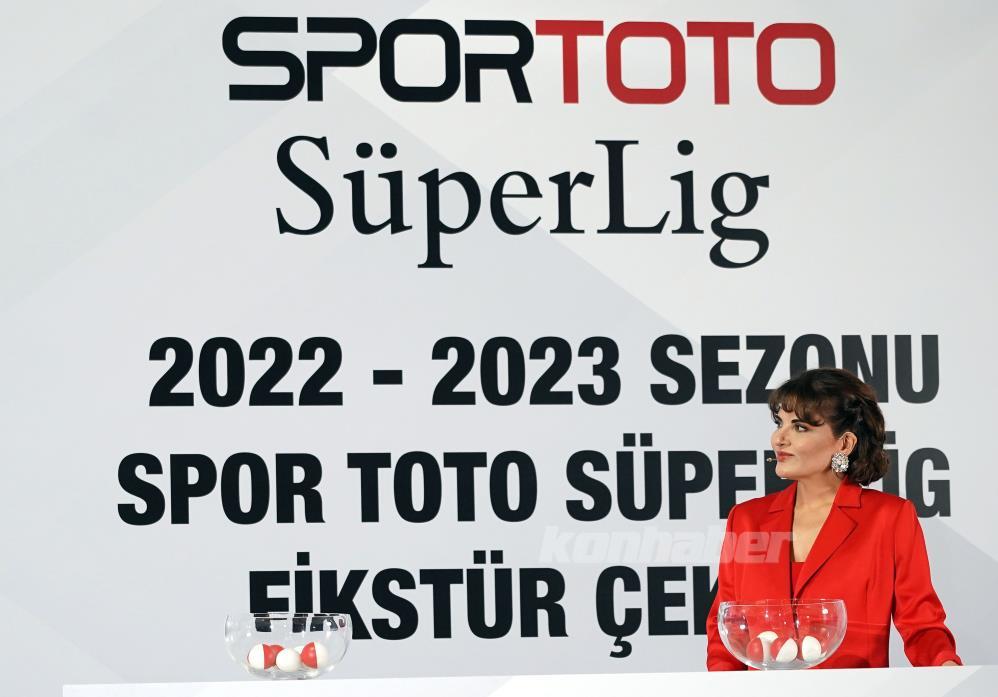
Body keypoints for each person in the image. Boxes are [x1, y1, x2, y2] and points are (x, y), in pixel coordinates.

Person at [705, 368, 961, 669]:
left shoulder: (890, 518)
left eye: (800, 427)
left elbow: (922, 625)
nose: (779, 439)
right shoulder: (746, 519)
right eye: (779, 423)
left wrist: (945, 666)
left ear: (844, 444)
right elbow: (726, 631)